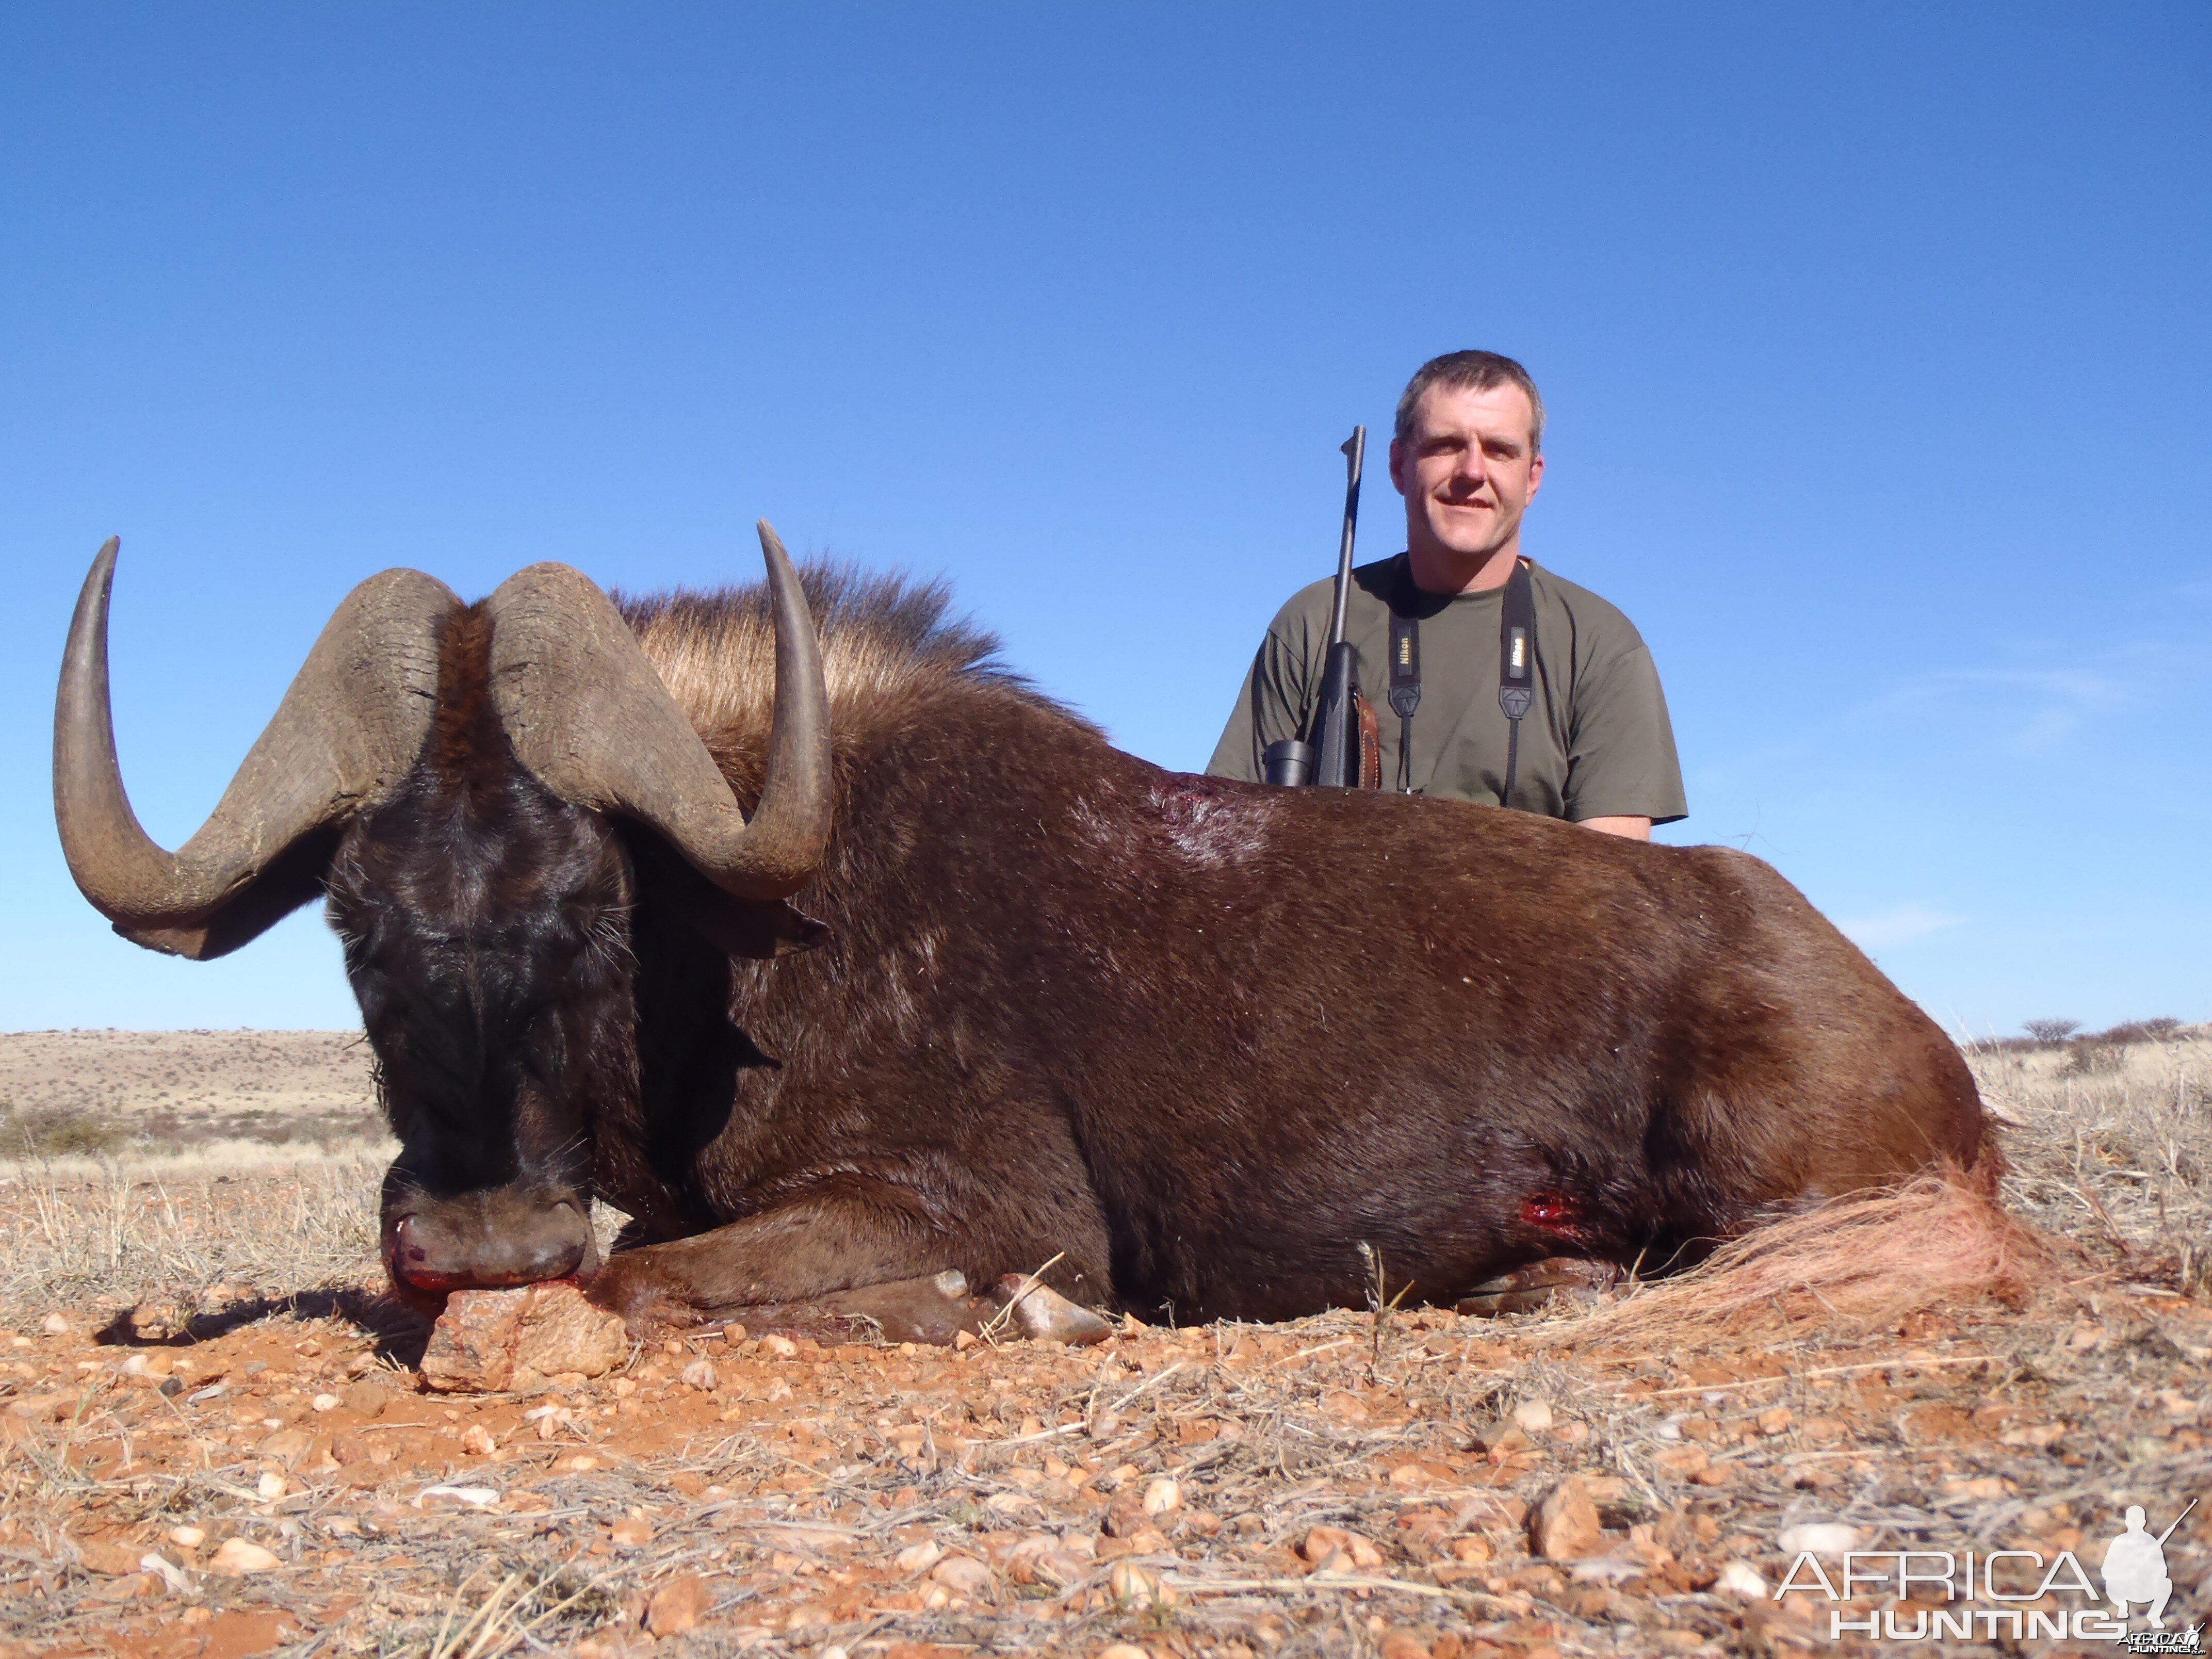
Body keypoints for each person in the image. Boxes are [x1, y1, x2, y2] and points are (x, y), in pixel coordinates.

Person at [1207, 350, 1686, 838]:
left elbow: (1613, 883)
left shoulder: (1601, 646)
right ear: (1398, 465)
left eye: (1500, 450)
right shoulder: (1314, 623)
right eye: (1445, 445)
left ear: (1533, 479)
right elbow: (1225, 840)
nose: (1472, 472)